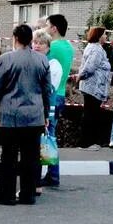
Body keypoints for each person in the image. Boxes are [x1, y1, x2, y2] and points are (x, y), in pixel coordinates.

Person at [0, 24, 51, 206]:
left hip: (10, 115)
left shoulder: (5, 59)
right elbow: (47, 90)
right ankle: (27, 194)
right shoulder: (42, 60)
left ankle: (5, 195)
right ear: (30, 40)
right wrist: (46, 113)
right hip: (34, 115)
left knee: (8, 156)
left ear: (15, 38)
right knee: (30, 157)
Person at [41, 14, 75, 187]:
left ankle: (52, 174)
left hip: (51, 95)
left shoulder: (52, 47)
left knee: (48, 135)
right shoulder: (69, 47)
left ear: (54, 28)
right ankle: (52, 174)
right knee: (51, 134)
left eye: (47, 25)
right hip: (61, 93)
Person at [31, 29, 63, 194]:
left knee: (49, 140)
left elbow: (49, 89)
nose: (37, 46)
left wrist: (48, 114)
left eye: (41, 43)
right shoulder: (33, 61)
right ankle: (47, 174)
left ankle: (53, 174)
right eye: (35, 42)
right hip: (35, 108)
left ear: (48, 47)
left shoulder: (53, 64)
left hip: (48, 108)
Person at [76, 26, 111, 151]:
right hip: (93, 87)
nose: (106, 37)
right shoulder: (96, 49)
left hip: (92, 87)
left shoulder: (92, 48)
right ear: (99, 36)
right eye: (104, 34)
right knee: (91, 115)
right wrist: (80, 75)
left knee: (90, 114)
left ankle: (87, 141)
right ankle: (87, 142)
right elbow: (90, 67)